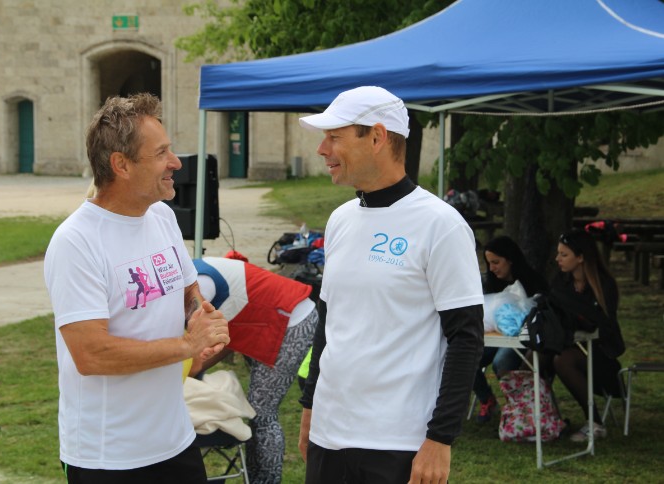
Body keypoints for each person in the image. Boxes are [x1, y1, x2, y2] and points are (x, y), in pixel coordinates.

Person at [296, 86, 484, 484]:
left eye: (335, 137)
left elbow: (466, 338)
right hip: (329, 433)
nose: (322, 149)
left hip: (398, 442)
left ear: (377, 137)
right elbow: (329, 323)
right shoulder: (341, 219)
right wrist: (310, 406)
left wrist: (440, 438)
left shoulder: (441, 225)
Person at [44, 93, 230, 483]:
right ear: (121, 164)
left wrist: (203, 318)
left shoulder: (161, 216)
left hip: (175, 439)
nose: (176, 163)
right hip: (110, 457)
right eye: (161, 153)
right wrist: (187, 345)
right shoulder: (76, 242)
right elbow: (91, 354)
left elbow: (187, 292)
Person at [191, 254, 318, 484]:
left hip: (292, 316)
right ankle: (254, 477)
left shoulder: (198, 285)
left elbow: (193, 346)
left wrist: (189, 370)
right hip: (266, 316)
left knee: (262, 412)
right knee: (257, 411)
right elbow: (226, 341)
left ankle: (266, 480)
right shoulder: (189, 279)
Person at [552, 229, 626, 442]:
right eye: (558, 253)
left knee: (562, 359)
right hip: (569, 344)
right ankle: (538, 418)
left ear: (580, 257)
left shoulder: (604, 285)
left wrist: (577, 317)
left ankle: (595, 422)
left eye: (564, 254)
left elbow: (604, 327)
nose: (557, 259)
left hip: (602, 359)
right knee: (539, 354)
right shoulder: (561, 282)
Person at [473, 236, 549, 423]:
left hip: (519, 338)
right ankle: (486, 399)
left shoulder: (532, 282)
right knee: (465, 358)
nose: (492, 268)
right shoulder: (490, 284)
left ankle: (518, 407)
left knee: (501, 362)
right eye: (489, 263)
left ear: (510, 259)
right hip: (494, 336)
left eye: (496, 262)